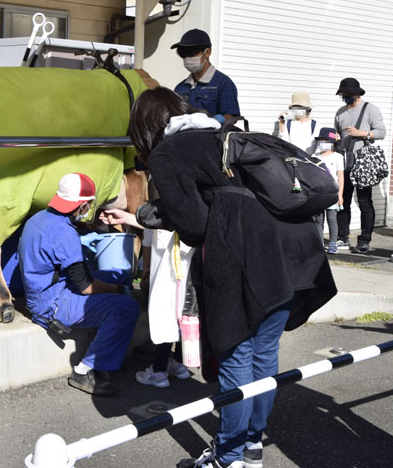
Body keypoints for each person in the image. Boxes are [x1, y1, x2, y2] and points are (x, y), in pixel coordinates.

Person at [124, 87, 336, 468]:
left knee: (237, 352)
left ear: (144, 126)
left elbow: (195, 224)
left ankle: (228, 455)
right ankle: (251, 444)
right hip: (298, 249)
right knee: (264, 351)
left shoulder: (168, 153)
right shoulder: (222, 135)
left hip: (248, 256)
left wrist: (152, 213)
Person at [18, 172, 140, 396]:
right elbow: (86, 287)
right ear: (83, 205)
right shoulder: (65, 234)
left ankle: (110, 344)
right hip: (53, 304)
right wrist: (116, 290)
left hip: (43, 290)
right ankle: (86, 370)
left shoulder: (38, 219)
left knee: (117, 275)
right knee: (126, 307)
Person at [101, 213, 192, 389]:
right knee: (181, 316)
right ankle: (179, 363)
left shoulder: (157, 211)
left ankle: (158, 371)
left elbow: (148, 242)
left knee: (163, 319)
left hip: (164, 273)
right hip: (186, 272)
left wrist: (146, 271)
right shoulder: (187, 208)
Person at [334, 78, 386, 255]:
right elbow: (337, 135)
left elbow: (381, 132)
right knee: (342, 200)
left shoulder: (370, 109)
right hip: (344, 160)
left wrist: (362, 133)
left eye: (347, 95)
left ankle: (364, 241)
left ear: (356, 94)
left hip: (363, 162)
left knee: (364, 201)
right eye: (342, 95)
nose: (344, 98)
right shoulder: (340, 112)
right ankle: (342, 237)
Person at [172, 29, 239, 123]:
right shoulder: (180, 88)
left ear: (207, 52)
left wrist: (215, 121)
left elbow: (232, 117)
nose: (188, 59)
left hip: (211, 136)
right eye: (184, 54)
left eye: (192, 53)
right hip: (183, 136)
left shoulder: (223, 84)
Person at [313, 128, 344, 254]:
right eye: (320, 141)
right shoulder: (314, 157)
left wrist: (340, 194)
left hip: (332, 192)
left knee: (332, 219)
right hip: (319, 192)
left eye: (324, 141)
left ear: (332, 143)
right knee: (318, 219)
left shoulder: (338, 157)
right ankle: (319, 244)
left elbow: (340, 176)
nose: (321, 143)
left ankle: (333, 243)